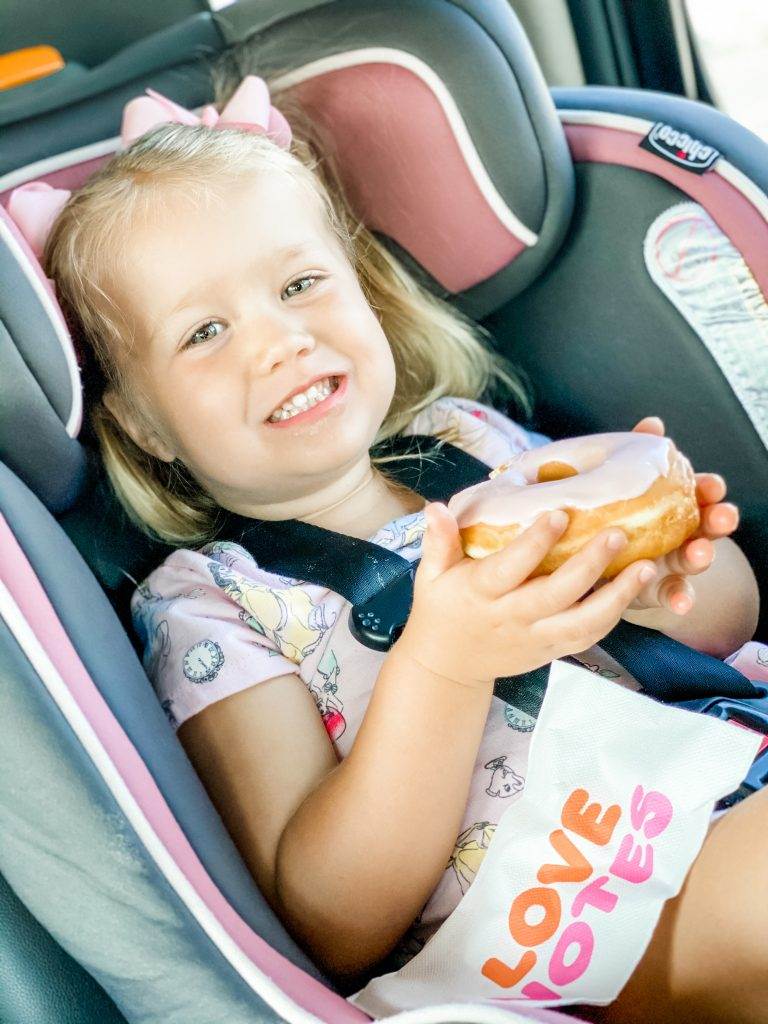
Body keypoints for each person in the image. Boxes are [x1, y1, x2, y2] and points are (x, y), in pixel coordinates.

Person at [28, 70, 766, 1023]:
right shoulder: (208, 606)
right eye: (205, 331)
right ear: (145, 423)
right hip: (578, 910)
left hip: (724, 758)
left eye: (299, 284)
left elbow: (722, 629)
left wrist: (653, 575)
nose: (279, 341)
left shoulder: (471, 443)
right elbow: (330, 916)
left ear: (366, 292)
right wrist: (445, 664)